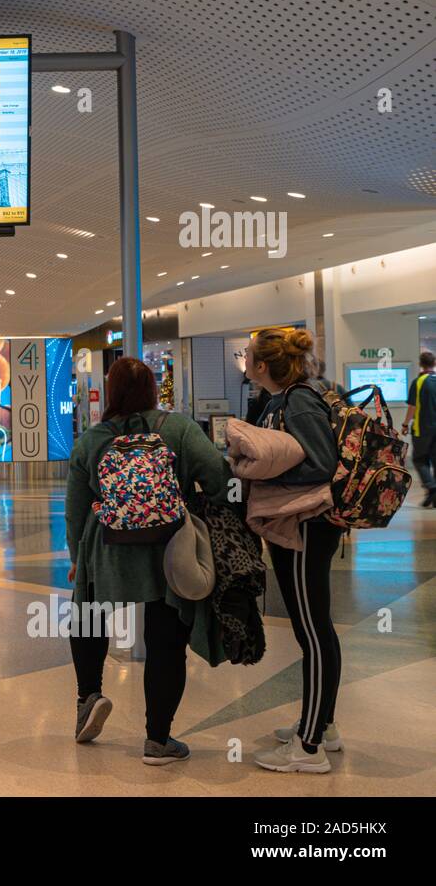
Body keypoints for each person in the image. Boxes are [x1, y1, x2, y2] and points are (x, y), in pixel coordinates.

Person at [65, 357, 233, 765]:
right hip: (168, 547)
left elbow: (73, 508)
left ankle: (89, 695)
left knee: (87, 612)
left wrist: (77, 559)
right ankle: (158, 740)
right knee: (166, 641)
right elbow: (218, 476)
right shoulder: (177, 428)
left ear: (111, 392)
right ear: (153, 390)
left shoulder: (92, 438)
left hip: (106, 545)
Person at [243, 328, 344, 773]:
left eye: (247, 355)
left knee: (314, 630)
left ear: (263, 365)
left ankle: (309, 749)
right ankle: (322, 725)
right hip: (294, 524)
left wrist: (266, 476)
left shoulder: (299, 400)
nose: (243, 360)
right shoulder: (279, 400)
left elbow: (321, 463)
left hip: (307, 524)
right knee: (309, 629)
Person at [403, 350, 436, 507]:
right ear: (434, 363)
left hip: (422, 429)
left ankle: (431, 487)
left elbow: (412, 407)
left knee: (420, 460)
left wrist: (404, 424)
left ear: (421, 364)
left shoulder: (419, 382)